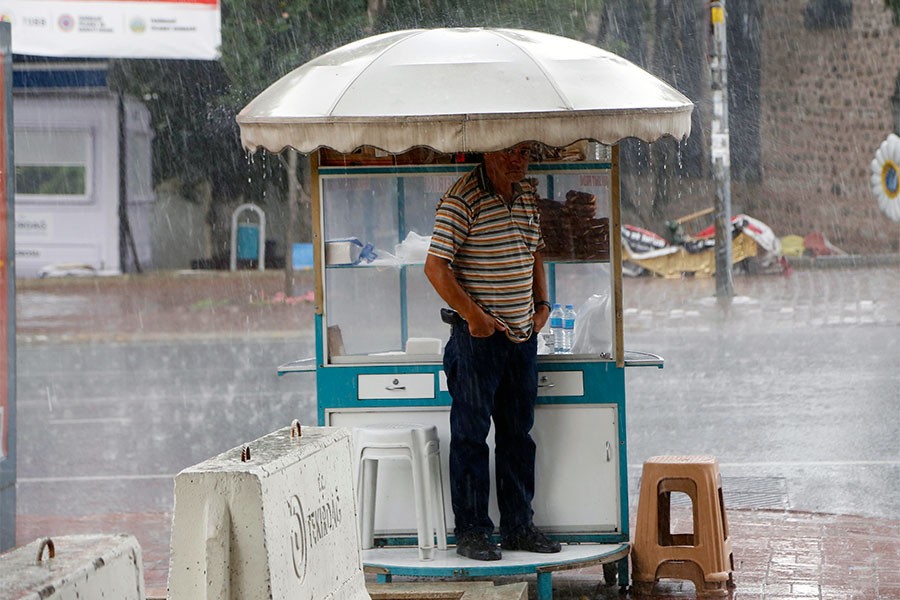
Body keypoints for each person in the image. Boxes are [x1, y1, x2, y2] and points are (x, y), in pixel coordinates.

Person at [424, 142, 561, 561]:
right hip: (477, 340)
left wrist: (542, 305)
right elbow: (435, 267)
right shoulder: (463, 197)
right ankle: (472, 532)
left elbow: (535, 251)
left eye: (523, 153)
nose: (518, 161)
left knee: (518, 434)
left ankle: (519, 526)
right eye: (509, 153)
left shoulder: (524, 196)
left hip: (522, 336)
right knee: (470, 437)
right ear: (487, 153)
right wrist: (474, 316)